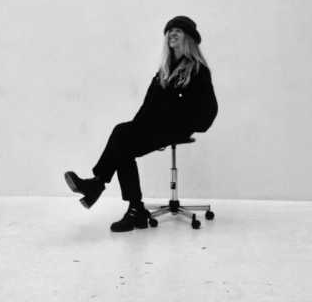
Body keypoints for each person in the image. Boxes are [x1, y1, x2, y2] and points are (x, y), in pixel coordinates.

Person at [64, 16, 218, 232]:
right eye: (170, 30)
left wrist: (189, 124)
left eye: (178, 30)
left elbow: (210, 110)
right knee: (123, 140)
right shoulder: (164, 71)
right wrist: (137, 127)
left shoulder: (198, 70)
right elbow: (147, 106)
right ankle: (132, 207)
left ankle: (101, 187)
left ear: (189, 38)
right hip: (156, 127)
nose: (172, 33)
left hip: (177, 128)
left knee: (122, 136)